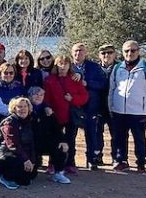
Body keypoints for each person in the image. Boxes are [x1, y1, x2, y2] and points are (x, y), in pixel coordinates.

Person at [108, 40, 146, 173]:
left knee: (139, 138)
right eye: (126, 51)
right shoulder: (117, 68)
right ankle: (121, 160)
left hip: (139, 112)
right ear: (122, 52)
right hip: (119, 110)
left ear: (138, 51)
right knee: (119, 137)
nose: (130, 53)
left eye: (133, 50)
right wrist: (111, 107)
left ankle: (141, 163)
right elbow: (112, 89)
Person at [43, 55, 89, 174]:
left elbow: (84, 97)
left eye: (65, 64)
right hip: (55, 115)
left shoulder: (74, 79)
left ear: (69, 66)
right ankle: (53, 163)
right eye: (60, 64)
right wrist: (47, 107)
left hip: (71, 115)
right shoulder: (50, 80)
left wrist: (72, 99)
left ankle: (70, 163)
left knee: (71, 140)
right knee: (55, 140)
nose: (62, 67)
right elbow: (46, 97)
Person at [71, 42, 108, 170]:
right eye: (75, 51)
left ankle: (92, 159)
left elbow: (103, 84)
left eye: (81, 51)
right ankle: (70, 160)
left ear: (85, 53)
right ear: (72, 53)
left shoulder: (94, 67)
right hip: (73, 106)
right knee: (71, 134)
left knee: (92, 133)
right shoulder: (67, 67)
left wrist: (88, 83)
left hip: (91, 105)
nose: (78, 53)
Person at [27, 87, 71, 184]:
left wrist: (63, 141)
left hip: (45, 142)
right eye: (35, 94)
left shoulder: (48, 111)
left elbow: (57, 129)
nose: (38, 97)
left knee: (61, 147)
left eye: (41, 95)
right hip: (30, 144)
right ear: (30, 96)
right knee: (30, 176)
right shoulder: (25, 110)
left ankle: (58, 173)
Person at [0, 62, 25, 180]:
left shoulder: (18, 86)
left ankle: (8, 170)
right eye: (5, 72)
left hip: (14, 121)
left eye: (11, 73)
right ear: (0, 73)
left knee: (11, 145)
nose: (8, 75)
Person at [0, 97, 37, 189]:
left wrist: (32, 160)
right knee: (16, 165)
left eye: (25, 106)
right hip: (5, 151)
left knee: (28, 178)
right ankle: (3, 175)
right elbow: (12, 145)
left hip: (22, 151)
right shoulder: (9, 122)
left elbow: (32, 142)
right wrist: (26, 160)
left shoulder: (29, 121)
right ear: (14, 109)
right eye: (19, 107)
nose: (23, 109)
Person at [95, 44, 118, 166]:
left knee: (116, 133)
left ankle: (116, 158)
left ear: (114, 54)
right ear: (99, 55)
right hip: (99, 106)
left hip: (115, 106)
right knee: (97, 132)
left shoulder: (121, 68)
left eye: (109, 53)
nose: (106, 55)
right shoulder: (95, 68)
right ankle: (97, 156)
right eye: (103, 53)